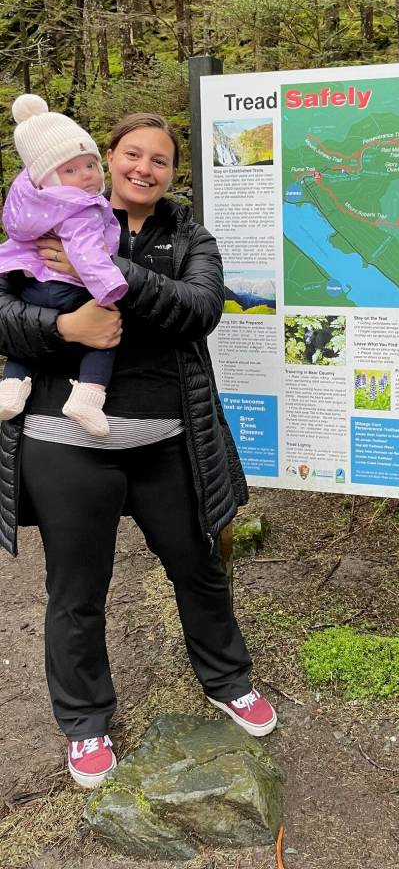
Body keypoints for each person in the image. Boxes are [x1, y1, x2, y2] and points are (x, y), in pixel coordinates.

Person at [0, 112, 277, 789]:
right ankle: (85, 723)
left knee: (199, 565)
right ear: (106, 158)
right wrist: (66, 322)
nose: (144, 168)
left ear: (172, 174)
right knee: (76, 589)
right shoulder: (40, 221)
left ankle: (227, 678)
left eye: (160, 160)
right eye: (132, 154)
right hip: (64, 443)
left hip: (167, 444)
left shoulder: (189, 237)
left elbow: (200, 309)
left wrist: (109, 266)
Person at [0, 95, 128, 437]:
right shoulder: (81, 208)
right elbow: (86, 254)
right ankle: (87, 396)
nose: (85, 175)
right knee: (105, 335)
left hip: (33, 288)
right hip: (68, 290)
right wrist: (109, 288)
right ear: (48, 178)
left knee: (23, 345)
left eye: (89, 165)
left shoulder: (35, 207)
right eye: (70, 170)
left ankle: (12, 385)